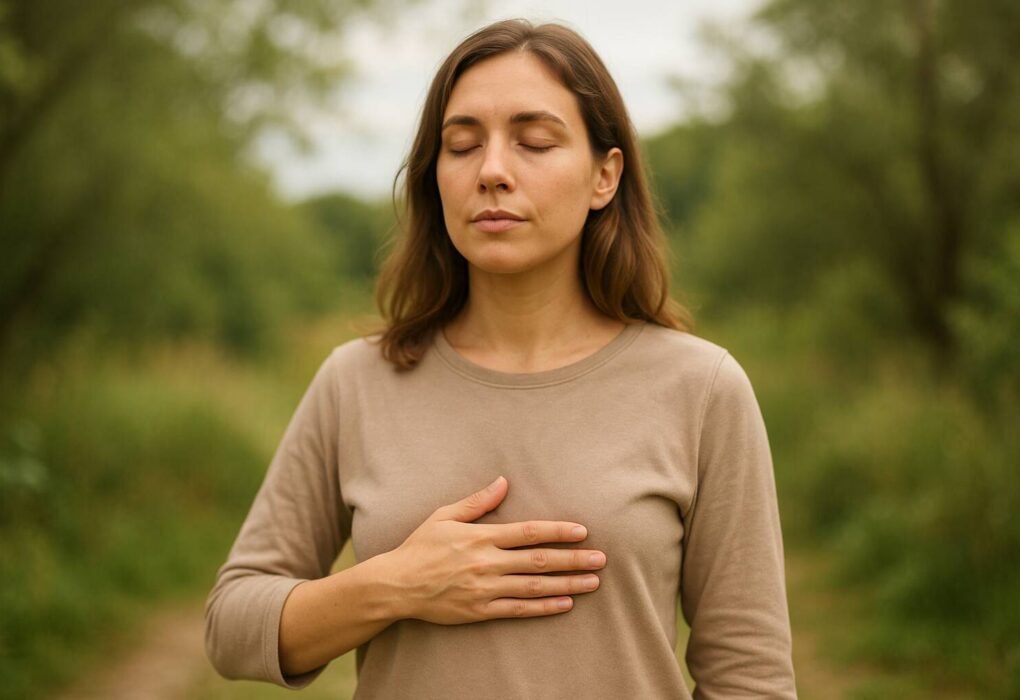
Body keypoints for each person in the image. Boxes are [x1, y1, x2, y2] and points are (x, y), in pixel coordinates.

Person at [204, 18, 797, 699]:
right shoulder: (356, 381)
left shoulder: (702, 388)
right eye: (461, 146)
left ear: (605, 175)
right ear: (436, 178)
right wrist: (397, 585)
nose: (491, 171)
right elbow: (231, 624)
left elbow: (751, 680)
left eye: (534, 142)